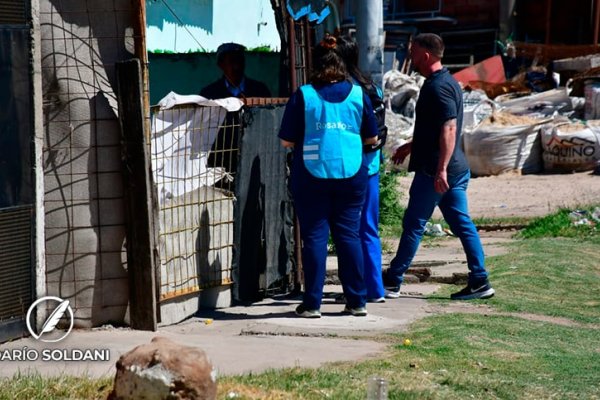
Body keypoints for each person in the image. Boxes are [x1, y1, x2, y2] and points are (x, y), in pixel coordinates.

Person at [383, 33, 495, 301]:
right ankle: (480, 280)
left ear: (426, 54)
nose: (410, 56)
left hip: (436, 172)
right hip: (453, 168)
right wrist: (412, 145)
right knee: (462, 224)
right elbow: (436, 128)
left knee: (414, 224)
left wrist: (441, 169)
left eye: (413, 51)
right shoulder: (446, 82)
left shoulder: (439, 87)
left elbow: (449, 127)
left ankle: (392, 281)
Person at [279, 35, 379, 318]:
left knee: (314, 237)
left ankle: (312, 304)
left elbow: (286, 141)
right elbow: (371, 137)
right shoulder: (359, 95)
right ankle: (357, 301)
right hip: (351, 173)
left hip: (311, 174)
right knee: (349, 236)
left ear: (316, 65)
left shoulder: (304, 95)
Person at [336, 35, 387, 304]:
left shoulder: (346, 90)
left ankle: (356, 289)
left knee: (349, 231)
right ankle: (375, 288)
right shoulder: (372, 86)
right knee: (369, 228)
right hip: (372, 165)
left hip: (350, 167)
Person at [200, 43, 271, 178]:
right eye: (231, 61)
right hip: (221, 161)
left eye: (240, 60)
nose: (236, 66)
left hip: (254, 156)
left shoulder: (259, 90)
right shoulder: (210, 94)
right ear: (221, 65)